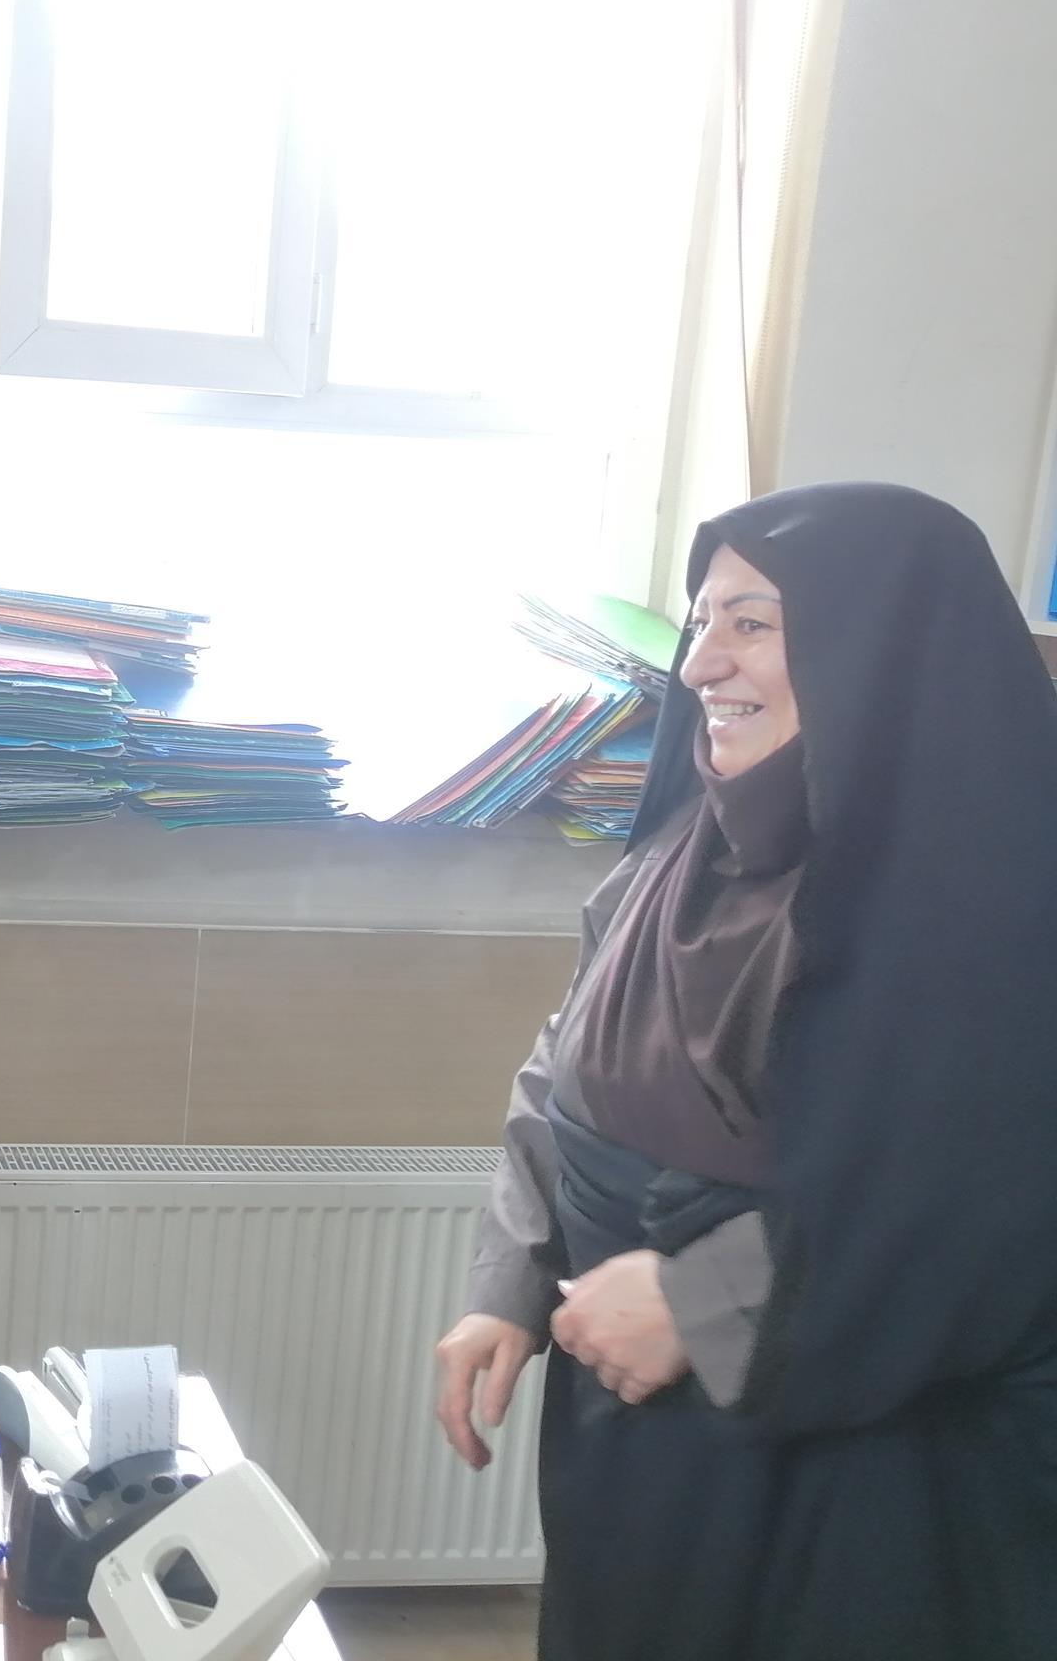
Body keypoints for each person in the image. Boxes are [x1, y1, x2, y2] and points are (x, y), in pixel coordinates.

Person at [432, 483, 1057, 1658]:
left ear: (882, 651)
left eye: (754, 623)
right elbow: (568, 1065)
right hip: (635, 1450)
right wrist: (508, 1280)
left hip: (866, 1479)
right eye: (699, 622)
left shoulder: (995, 907)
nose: (702, 663)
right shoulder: (675, 856)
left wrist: (698, 1302)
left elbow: (991, 1202)